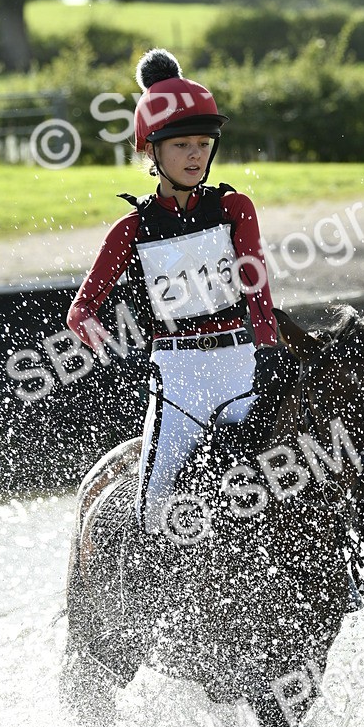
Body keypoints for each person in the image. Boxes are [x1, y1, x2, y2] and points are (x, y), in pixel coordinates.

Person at [67, 48, 294, 539]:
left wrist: (269, 346)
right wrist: (102, 343)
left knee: (298, 479)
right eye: (181, 145)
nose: (196, 155)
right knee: (155, 507)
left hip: (243, 366)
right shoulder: (131, 229)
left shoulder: (235, 207)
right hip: (178, 379)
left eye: (203, 144)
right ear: (152, 152)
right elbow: (81, 310)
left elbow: (256, 287)